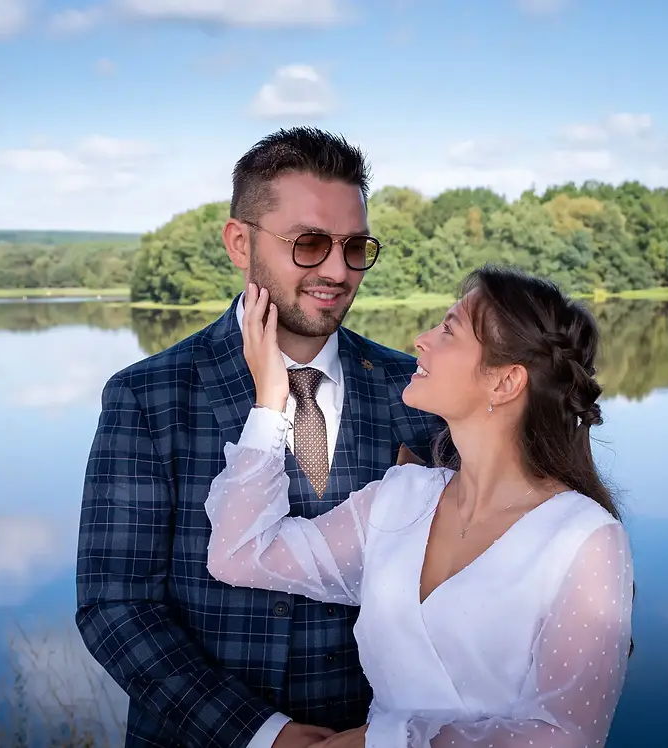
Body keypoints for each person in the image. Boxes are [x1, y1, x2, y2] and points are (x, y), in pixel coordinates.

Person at [75, 126, 443, 748]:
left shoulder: (421, 391)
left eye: (355, 247)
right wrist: (261, 734)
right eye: (309, 243)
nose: (337, 270)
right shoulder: (147, 395)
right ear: (239, 243)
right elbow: (116, 608)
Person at [204, 264, 635, 747]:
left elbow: (565, 738)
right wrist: (271, 402)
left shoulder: (586, 539)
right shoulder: (400, 498)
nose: (420, 339)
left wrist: (381, 741)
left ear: (504, 382)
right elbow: (239, 555)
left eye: (448, 331)